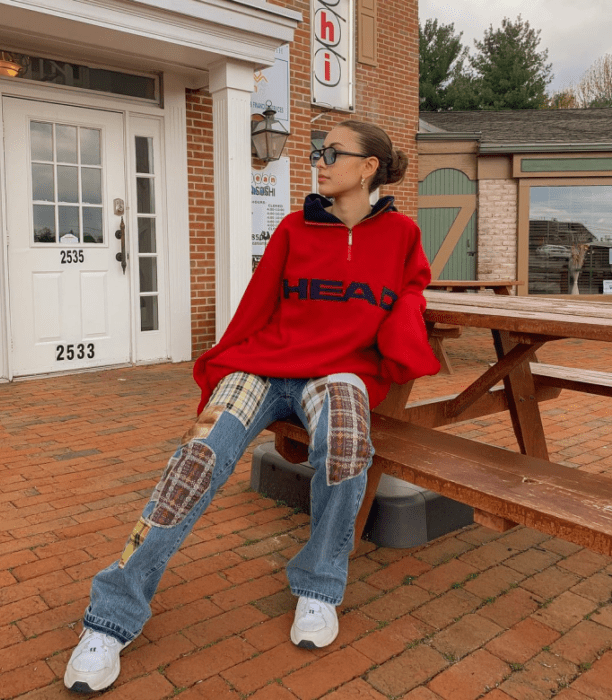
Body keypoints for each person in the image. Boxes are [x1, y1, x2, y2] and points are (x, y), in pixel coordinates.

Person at [64, 120, 440, 693]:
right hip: (265, 366)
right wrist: (224, 369)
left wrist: (405, 321)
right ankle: (112, 616)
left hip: (339, 371)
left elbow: (414, 285)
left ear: (369, 168)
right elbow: (256, 307)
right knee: (196, 459)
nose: (319, 159)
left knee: (346, 446)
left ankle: (318, 587)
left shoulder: (402, 234)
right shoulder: (294, 227)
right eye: (318, 150)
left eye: (333, 152)